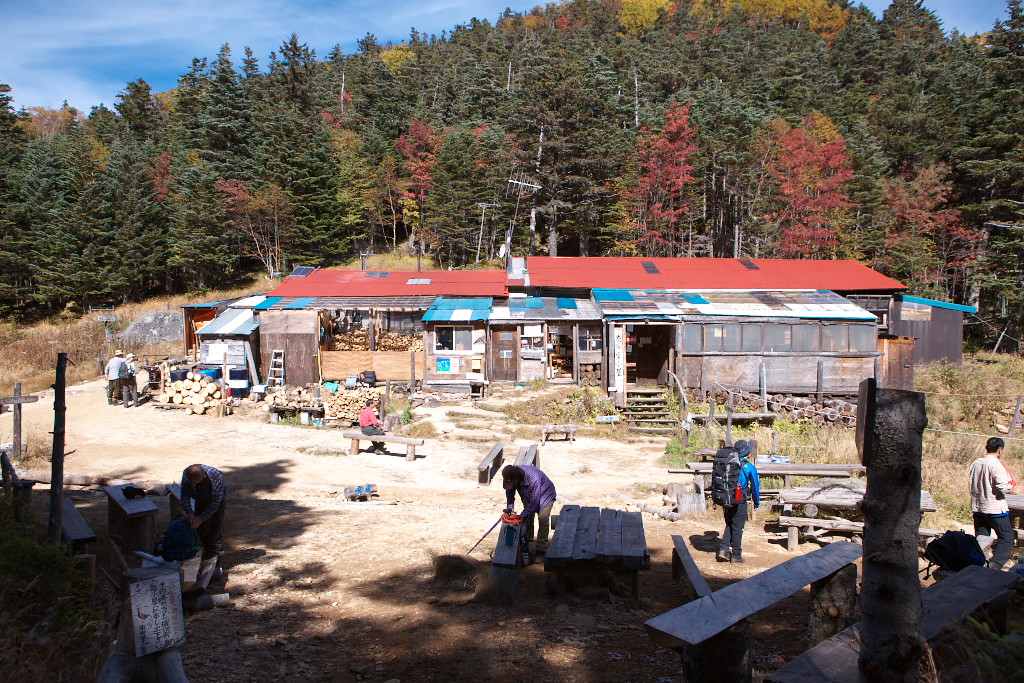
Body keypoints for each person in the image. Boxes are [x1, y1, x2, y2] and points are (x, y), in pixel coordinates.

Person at [969, 437, 1016, 569]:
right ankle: (995, 564)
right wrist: (1014, 490)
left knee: (981, 537)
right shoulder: (996, 465)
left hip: (978, 507)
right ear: (1000, 451)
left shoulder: (976, 463)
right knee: (1006, 537)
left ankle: (975, 562)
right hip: (994, 508)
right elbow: (1003, 487)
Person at [502, 464, 557, 563]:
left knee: (542, 518)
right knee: (527, 520)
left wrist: (521, 517)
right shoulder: (511, 476)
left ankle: (541, 549)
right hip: (528, 495)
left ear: (517, 479)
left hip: (545, 494)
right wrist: (510, 509)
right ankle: (528, 547)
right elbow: (509, 493)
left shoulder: (534, 479)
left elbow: (535, 503)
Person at [717, 440, 760, 564]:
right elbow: (755, 486)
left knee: (730, 523)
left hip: (726, 496)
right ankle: (736, 555)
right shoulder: (748, 467)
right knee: (738, 527)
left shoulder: (727, 462)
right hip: (739, 498)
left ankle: (723, 550)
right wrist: (756, 502)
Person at [180, 464, 227, 562]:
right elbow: (185, 495)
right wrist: (189, 512)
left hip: (216, 500)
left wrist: (201, 518)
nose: (194, 484)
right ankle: (205, 552)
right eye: (193, 483)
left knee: (215, 528)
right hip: (200, 498)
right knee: (200, 528)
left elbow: (215, 503)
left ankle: (217, 558)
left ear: (204, 477)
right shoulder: (186, 474)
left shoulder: (215, 476)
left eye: (197, 483)